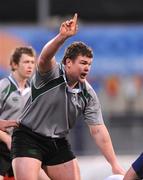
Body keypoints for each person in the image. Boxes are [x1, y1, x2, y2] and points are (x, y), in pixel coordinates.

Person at [11, 14, 125, 180]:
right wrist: (62, 37)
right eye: (83, 63)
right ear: (68, 62)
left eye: (89, 64)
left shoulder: (88, 94)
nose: (87, 68)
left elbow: (98, 130)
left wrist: (114, 164)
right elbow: (44, 57)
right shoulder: (50, 73)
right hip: (28, 137)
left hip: (57, 142)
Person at [0, 46, 38, 180]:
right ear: (15, 64)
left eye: (32, 62)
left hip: (22, 147)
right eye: (26, 62)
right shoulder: (3, 87)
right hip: (3, 145)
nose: (30, 66)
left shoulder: (33, 92)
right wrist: (6, 139)